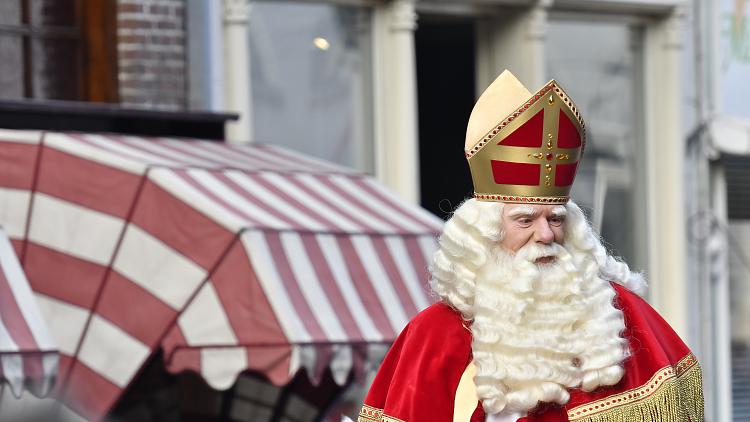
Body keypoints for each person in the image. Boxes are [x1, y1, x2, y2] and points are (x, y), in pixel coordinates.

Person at [357, 71, 704, 422]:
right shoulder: (433, 335)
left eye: (555, 219)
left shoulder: (619, 319)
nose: (546, 235)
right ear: (485, 232)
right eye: (525, 220)